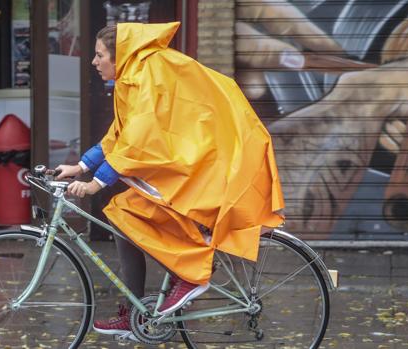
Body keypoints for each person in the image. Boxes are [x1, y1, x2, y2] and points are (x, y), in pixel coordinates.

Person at [56, 22, 285, 339]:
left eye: (99, 55)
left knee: (128, 211)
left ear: (119, 55)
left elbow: (140, 138)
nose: (94, 62)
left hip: (205, 162)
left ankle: (190, 274)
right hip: (189, 159)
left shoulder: (149, 73)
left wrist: (96, 183)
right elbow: (120, 135)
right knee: (123, 217)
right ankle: (136, 310)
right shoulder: (131, 77)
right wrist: (81, 165)